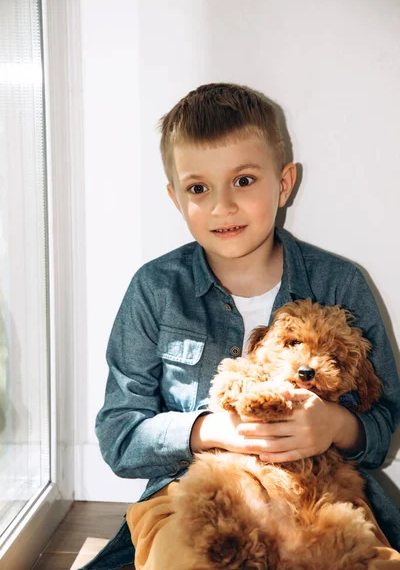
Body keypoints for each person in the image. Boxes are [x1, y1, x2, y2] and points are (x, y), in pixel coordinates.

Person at [81, 83, 400, 570]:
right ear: (175, 197)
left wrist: (335, 426)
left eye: (244, 180)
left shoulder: (341, 283)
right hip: (195, 495)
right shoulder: (154, 289)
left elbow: (385, 416)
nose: (221, 206)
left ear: (285, 182)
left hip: (321, 494)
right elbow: (120, 436)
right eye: (198, 188)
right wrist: (211, 429)